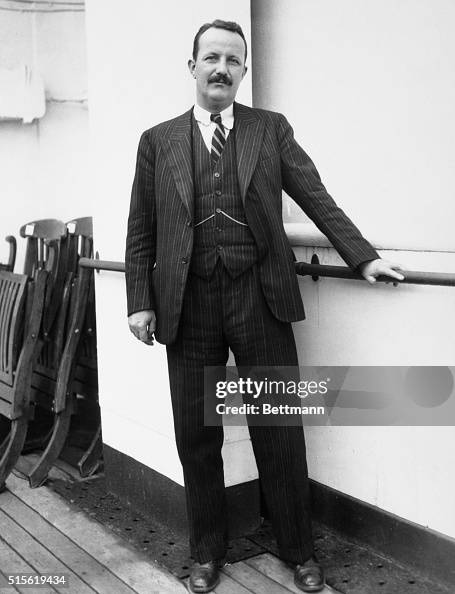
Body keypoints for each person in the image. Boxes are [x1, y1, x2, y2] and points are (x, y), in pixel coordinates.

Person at [125, 20, 404, 593]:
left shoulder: (268, 129)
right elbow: (140, 230)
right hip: (188, 303)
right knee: (195, 434)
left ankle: (298, 551)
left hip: (260, 298)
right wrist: (139, 302)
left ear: (243, 71)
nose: (221, 68)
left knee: (278, 428)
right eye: (211, 58)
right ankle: (206, 551)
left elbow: (314, 193)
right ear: (193, 66)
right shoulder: (157, 141)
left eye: (233, 59)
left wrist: (363, 258)